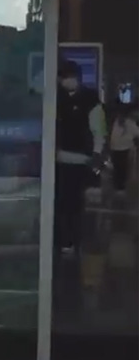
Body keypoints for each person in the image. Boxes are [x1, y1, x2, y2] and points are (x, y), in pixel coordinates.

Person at [54, 60, 107, 255]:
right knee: (62, 202)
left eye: (67, 78)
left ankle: (70, 240)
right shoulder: (56, 97)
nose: (64, 82)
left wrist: (96, 154)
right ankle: (63, 240)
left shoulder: (90, 100)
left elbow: (98, 130)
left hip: (78, 159)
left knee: (72, 203)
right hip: (59, 158)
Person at [107, 99, 138, 195]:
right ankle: (120, 189)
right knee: (122, 169)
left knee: (119, 169)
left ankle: (118, 188)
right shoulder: (129, 123)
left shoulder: (116, 122)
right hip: (123, 149)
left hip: (118, 149)